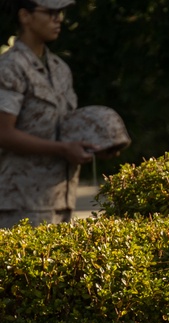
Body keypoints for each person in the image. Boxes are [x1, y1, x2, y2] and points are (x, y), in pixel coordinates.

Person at [0, 0, 93, 229]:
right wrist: (62, 149)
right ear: (25, 16)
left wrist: (96, 143)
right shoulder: (10, 67)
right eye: (50, 12)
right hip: (20, 204)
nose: (58, 19)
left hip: (62, 200)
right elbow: (3, 133)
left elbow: (65, 127)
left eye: (60, 13)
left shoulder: (60, 69)